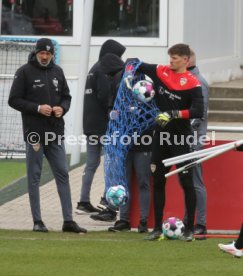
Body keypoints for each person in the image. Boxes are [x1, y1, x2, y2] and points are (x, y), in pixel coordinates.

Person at [8, 38, 86, 234]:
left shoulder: (57, 71)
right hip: (34, 132)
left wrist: (62, 108)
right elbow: (13, 100)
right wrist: (36, 108)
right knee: (34, 176)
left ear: (52, 54)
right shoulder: (24, 72)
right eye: (42, 53)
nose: (45, 56)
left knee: (63, 173)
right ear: (36, 52)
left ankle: (68, 220)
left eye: (48, 54)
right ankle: (37, 221)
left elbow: (66, 97)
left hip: (55, 131)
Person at [138, 43, 204, 241]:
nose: (171, 61)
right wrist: (129, 66)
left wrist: (174, 114)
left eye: (175, 58)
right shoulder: (161, 71)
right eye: (170, 57)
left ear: (185, 60)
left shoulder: (193, 83)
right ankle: (157, 228)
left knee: (186, 182)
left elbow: (198, 111)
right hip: (160, 137)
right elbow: (138, 65)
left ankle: (189, 229)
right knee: (158, 180)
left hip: (181, 139)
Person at [89, 57, 152, 228]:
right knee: (122, 182)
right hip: (123, 145)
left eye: (135, 70)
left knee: (143, 181)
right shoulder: (119, 88)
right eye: (130, 69)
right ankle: (123, 219)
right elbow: (112, 113)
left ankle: (144, 221)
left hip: (143, 145)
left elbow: (152, 117)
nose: (132, 73)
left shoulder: (148, 90)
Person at [75, 40, 126, 215]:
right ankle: (107, 199)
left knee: (91, 163)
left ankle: (83, 201)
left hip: (90, 125)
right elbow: (105, 95)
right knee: (110, 163)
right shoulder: (103, 71)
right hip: (104, 126)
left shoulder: (92, 70)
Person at [184, 49, 209, 235]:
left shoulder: (199, 82)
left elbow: (201, 112)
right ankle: (189, 221)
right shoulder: (186, 80)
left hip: (193, 140)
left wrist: (190, 136)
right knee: (187, 182)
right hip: (185, 138)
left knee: (196, 182)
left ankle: (200, 223)